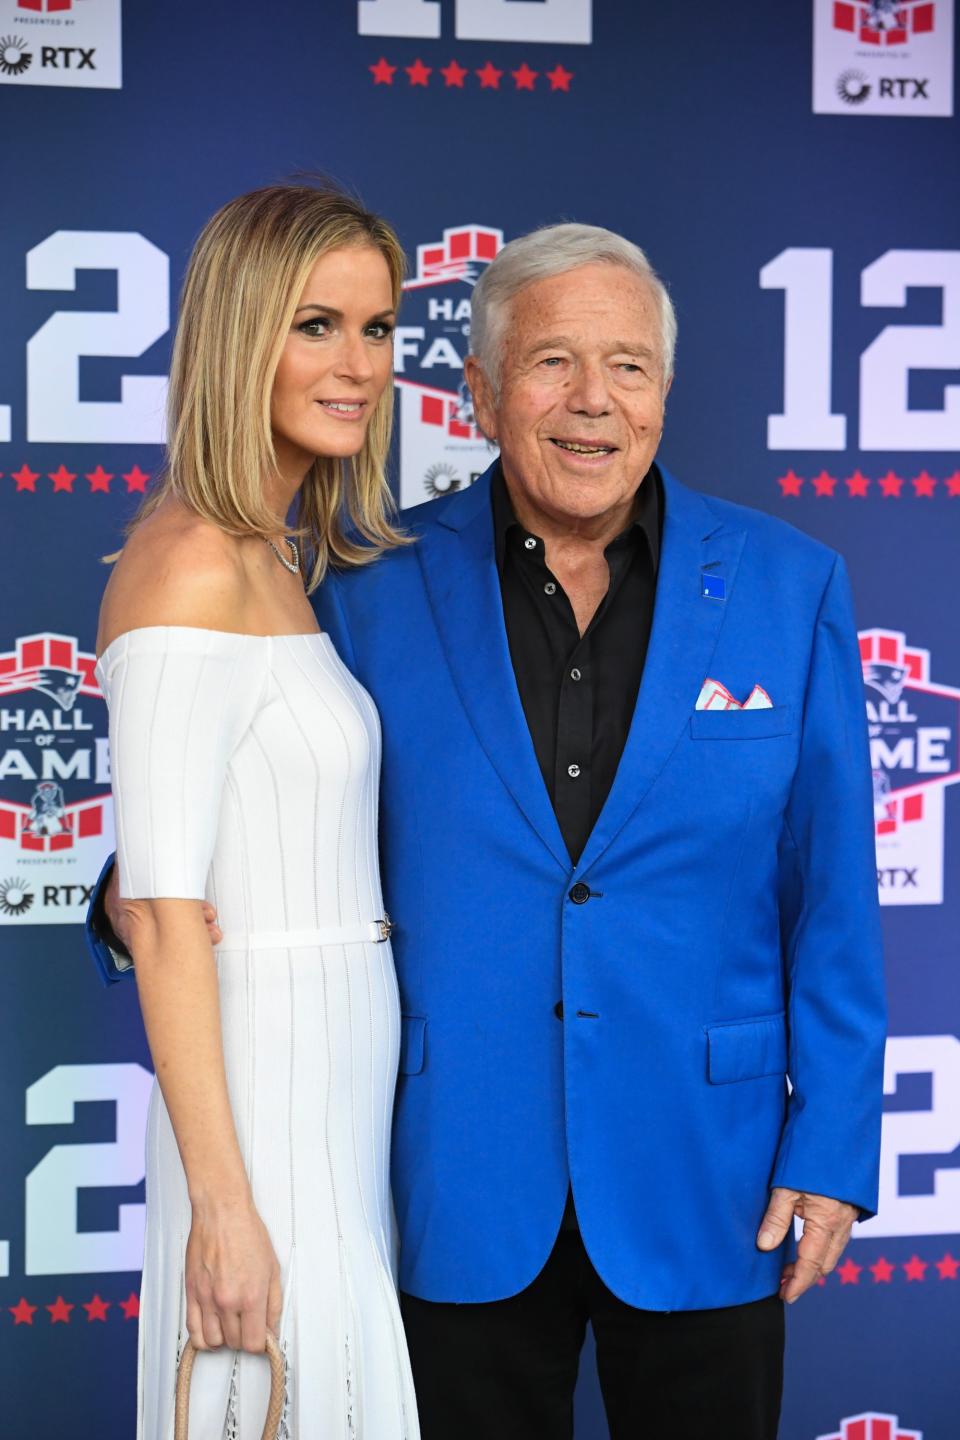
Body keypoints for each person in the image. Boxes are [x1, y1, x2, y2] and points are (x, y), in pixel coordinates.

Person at [90, 223, 886, 1440]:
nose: (592, 402)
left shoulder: (792, 585)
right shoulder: (366, 580)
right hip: (451, 1175)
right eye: (551, 361)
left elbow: (833, 892)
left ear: (666, 390)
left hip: (706, 1175)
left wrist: (833, 1137)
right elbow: (259, 797)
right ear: (478, 390)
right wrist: (133, 901)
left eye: (627, 366)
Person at [92, 183, 420, 1439]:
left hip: (333, 1085)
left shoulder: (277, 553)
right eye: (316, 325)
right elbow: (167, 910)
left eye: (378, 329)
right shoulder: (188, 561)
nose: (358, 366)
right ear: (240, 337)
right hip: (260, 1092)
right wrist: (223, 1208)